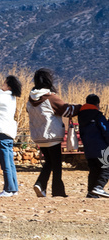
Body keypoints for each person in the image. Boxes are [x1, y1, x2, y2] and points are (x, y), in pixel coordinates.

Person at [27, 68, 78, 198]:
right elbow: (67, 111)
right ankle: (57, 192)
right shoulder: (50, 98)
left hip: (38, 137)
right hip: (52, 136)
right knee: (56, 164)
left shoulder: (30, 99)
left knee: (49, 162)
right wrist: (82, 107)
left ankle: (41, 185)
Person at [75, 94, 109, 199]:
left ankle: (91, 192)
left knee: (94, 169)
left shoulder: (81, 116)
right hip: (101, 148)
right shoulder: (97, 116)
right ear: (97, 104)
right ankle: (99, 186)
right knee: (106, 167)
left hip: (88, 149)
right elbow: (106, 131)